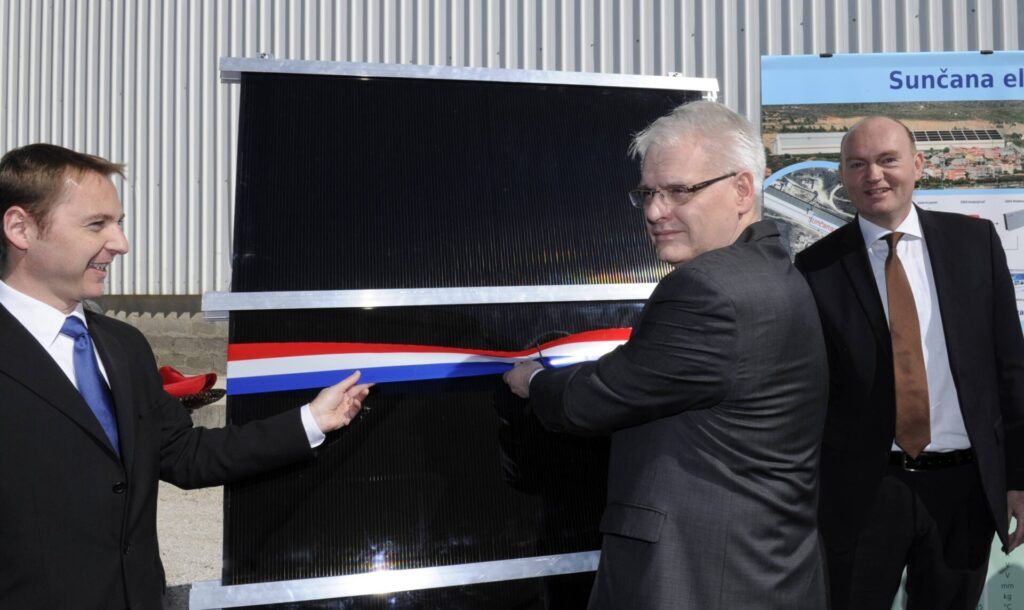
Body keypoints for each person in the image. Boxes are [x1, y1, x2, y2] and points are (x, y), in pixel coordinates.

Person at [0, 143, 371, 609]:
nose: (120, 243)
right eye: (96, 224)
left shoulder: (124, 345)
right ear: (20, 228)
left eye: (119, 223)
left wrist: (312, 420)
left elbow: (183, 454)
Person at [503, 100, 828, 610]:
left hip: (698, 579)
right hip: (766, 571)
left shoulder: (707, 288)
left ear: (742, 190)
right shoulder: (776, 272)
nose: (655, 212)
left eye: (679, 191)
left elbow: (598, 399)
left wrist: (533, 380)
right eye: (648, 193)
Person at [794, 116, 1024, 610]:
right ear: (843, 175)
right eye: (857, 164)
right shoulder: (815, 268)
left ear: (918, 165)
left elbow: (1011, 368)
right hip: (863, 492)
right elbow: (809, 393)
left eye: (887, 160)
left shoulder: (975, 244)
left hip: (964, 489)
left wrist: (1019, 479)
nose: (873, 175)